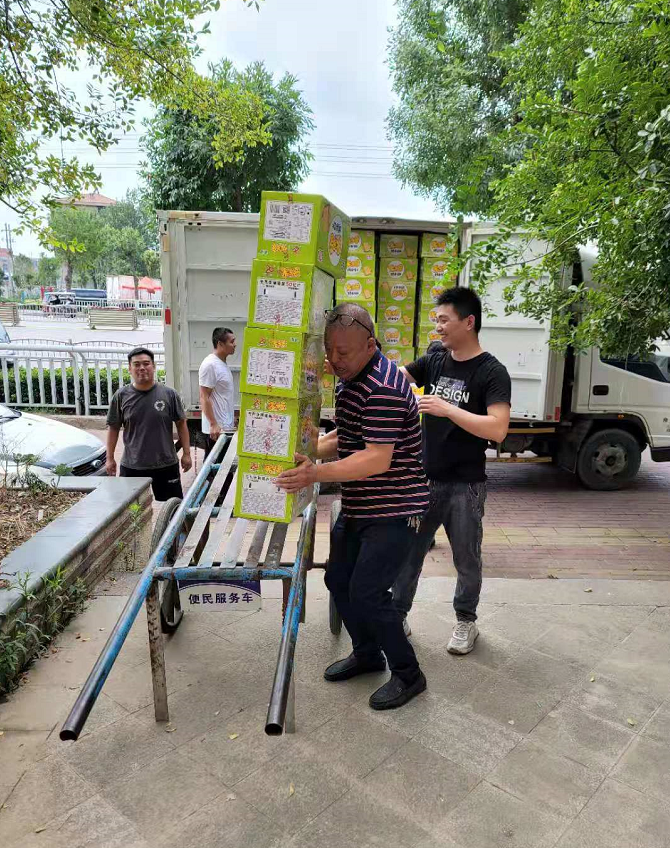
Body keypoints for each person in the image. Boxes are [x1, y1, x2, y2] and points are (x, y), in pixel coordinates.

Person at [275, 303, 429, 710]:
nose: (335, 360)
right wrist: (302, 451)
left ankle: (409, 675)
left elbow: (376, 458)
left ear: (370, 345)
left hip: (396, 507)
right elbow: (347, 436)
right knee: (338, 581)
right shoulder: (350, 380)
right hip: (361, 505)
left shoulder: (383, 386)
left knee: (369, 592)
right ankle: (367, 654)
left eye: (344, 352)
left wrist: (313, 474)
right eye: (330, 350)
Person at [393, 287, 511, 654]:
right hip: (424, 481)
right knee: (408, 554)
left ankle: (465, 622)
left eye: (444, 320)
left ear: (468, 322)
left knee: (467, 559)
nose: (438, 327)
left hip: (467, 486)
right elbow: (399, 377)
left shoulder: (492, 372)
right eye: (437, 320)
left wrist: (446, 409)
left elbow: (497, 428)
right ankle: (396, 616)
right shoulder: (435, 359)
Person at [106, 347, 192, 501]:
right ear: (130, 369)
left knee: (173, 508)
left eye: (146, 363)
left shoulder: (169, 394)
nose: (142, 368)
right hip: (133, 465)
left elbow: (181, 424)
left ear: (153, 366)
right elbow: (113, 428)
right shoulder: (121, 396)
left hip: (166, 464)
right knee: (132, 511)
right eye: (136, 364)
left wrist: (186, 453)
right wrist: (110, 458)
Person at [199, 327, 236, 456]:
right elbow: (204, 396)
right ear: (220, 344)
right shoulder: (210, 365)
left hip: (224, 428)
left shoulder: (222, 364)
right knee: (214, 471)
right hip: (216, 431)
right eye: (232, 341)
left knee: (223, 470)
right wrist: (213, 424)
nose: (235, 344)